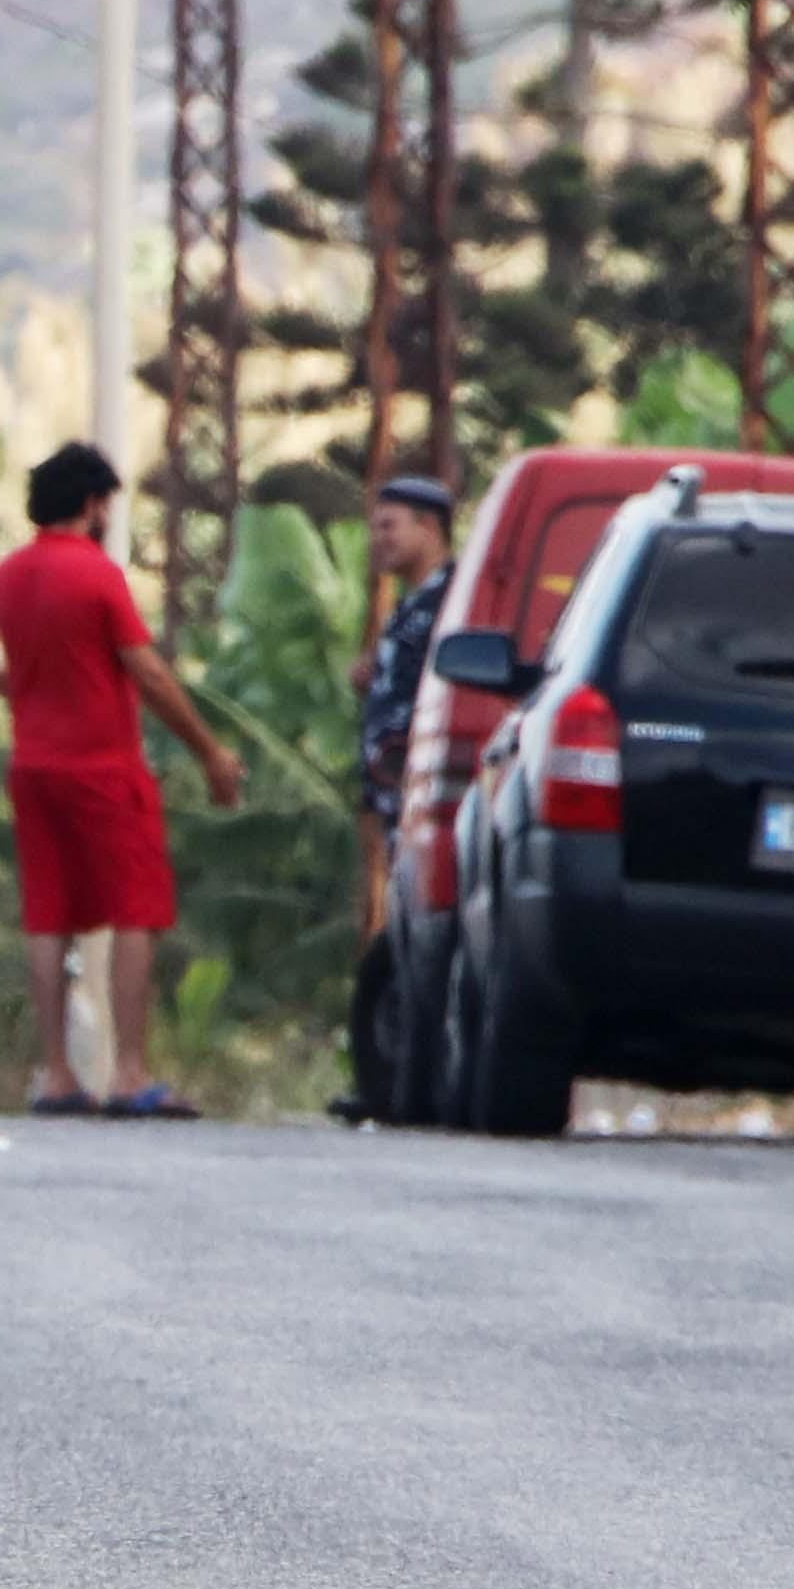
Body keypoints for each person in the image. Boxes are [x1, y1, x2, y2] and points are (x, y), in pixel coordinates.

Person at [0, 441, 249, 1120]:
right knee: (134, 909)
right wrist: (209, 751)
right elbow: (149, 671)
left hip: (34, 768)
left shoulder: (7, 577)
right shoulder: (98, 575)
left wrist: (15, 690)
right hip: (105, 769)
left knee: (49, 915)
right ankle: (130, 1073)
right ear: (93, 504)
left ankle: (56, 1075)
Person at [341, 472, 461, 1121]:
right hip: (394, 798)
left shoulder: (454, 599)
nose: (378, 540)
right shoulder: (413, 603)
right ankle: (394, 1075)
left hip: (429, 795)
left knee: (421, 929)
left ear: (430, 527)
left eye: (390, 526)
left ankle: (419, 1077)